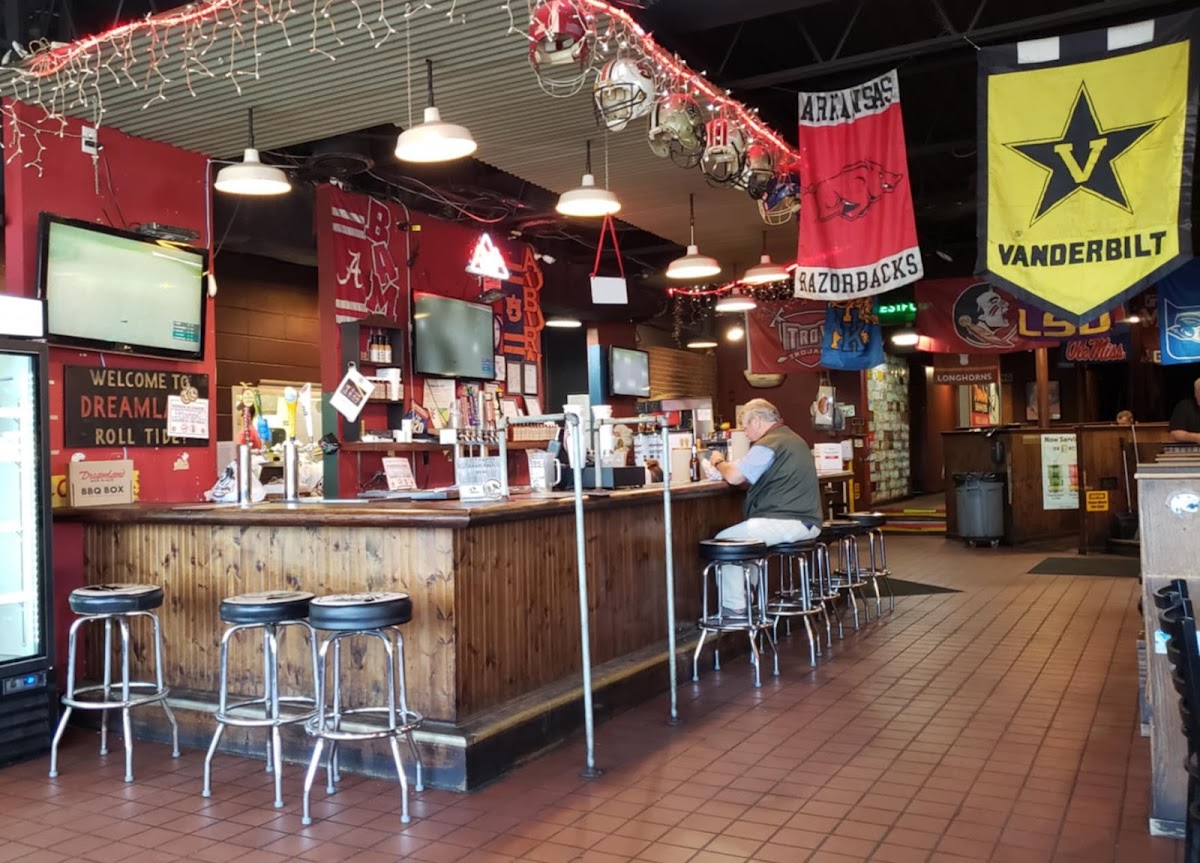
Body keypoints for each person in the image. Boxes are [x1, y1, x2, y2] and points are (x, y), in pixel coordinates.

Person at [705, 398, 823, 616]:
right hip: (804, 521)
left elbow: (734, 476)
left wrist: (718, 462)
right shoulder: (793, 439)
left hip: (789, 520)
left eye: (746, 426)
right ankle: (750, 599)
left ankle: (735, 609)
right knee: (748, 545)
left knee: (726, 541)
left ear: (758, 421)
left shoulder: (770, 443)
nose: (746, 433)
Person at [1169, 378, 1200, 444]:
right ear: (1196, 393)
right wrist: (1196, 437)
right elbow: (1175, 434)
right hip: (1190, 450)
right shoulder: (1183, 407)